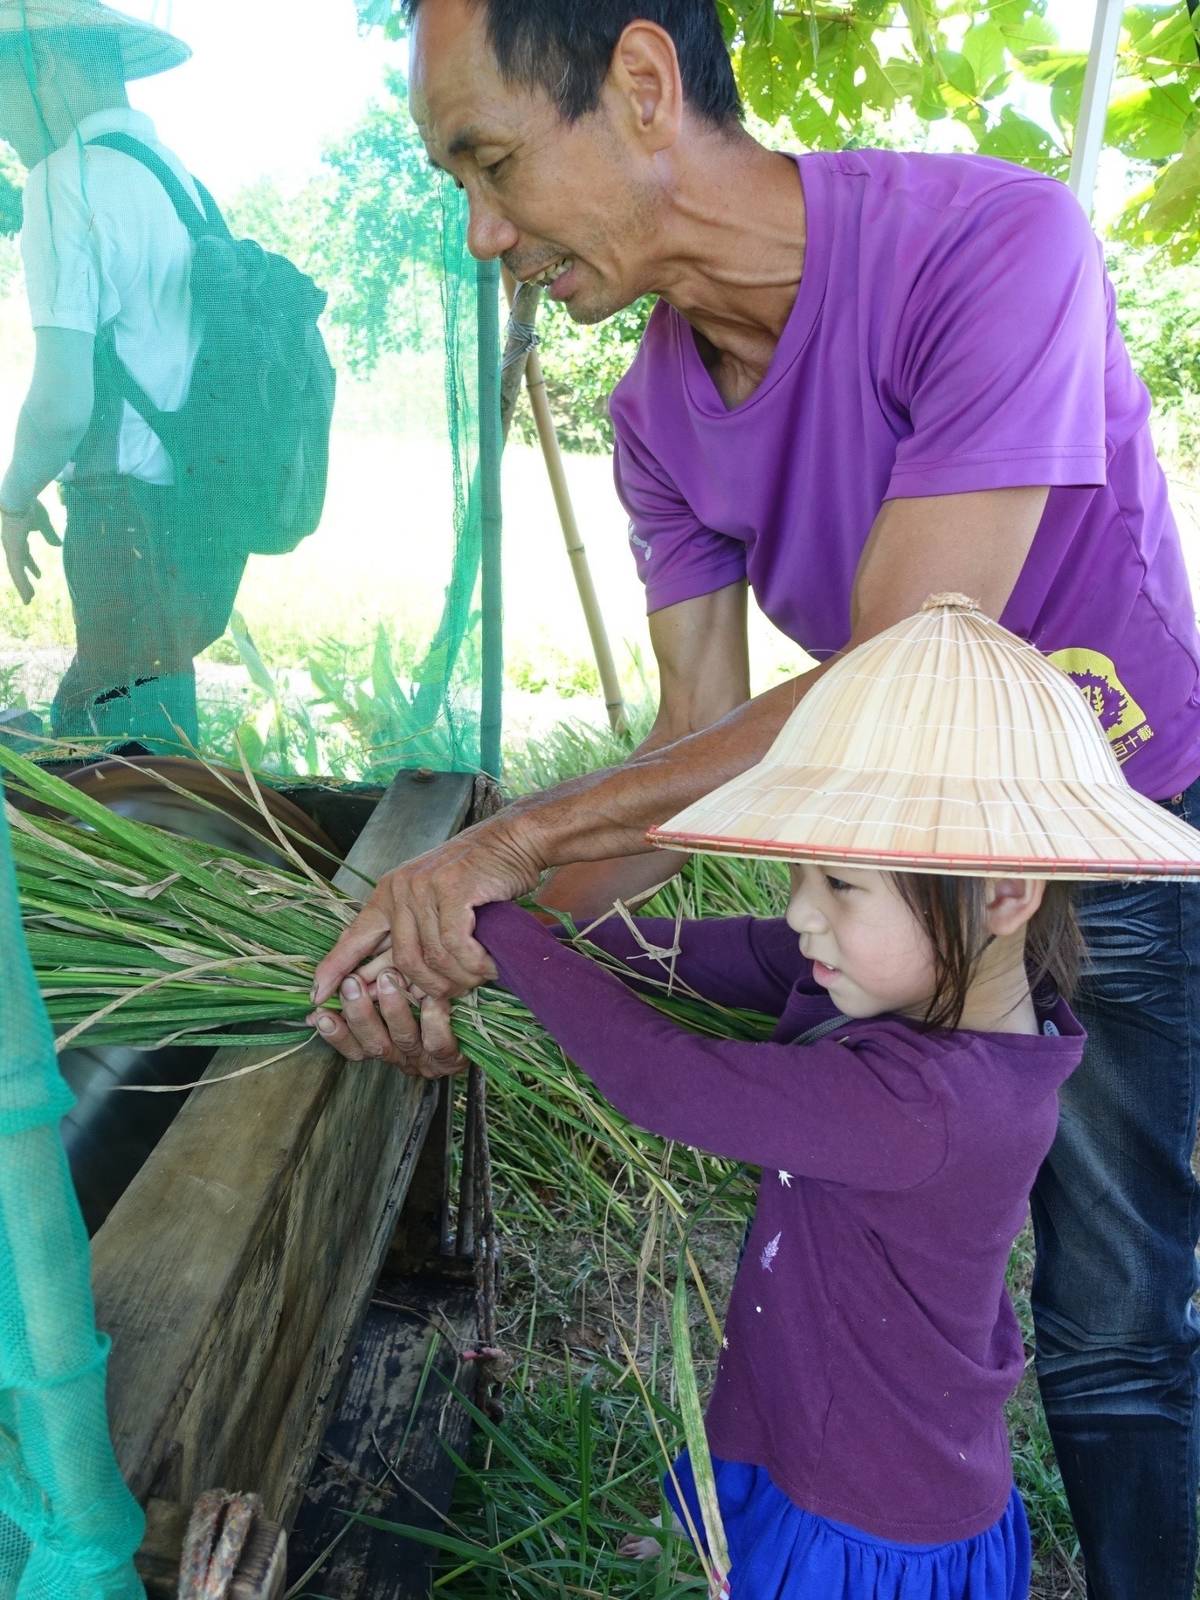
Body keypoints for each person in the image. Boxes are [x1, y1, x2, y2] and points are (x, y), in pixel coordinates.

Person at [311, 4, 1200, 1592]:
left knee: (1121, 1329)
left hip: (1118, 848)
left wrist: (506, 851)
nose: (479, 234)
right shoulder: (655, 415)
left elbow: (911, 666)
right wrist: (451, 939)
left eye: (493, 164)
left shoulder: (994, 244)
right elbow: (700, 731)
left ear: (643, 88)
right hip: (904, 898)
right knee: (926, 1265)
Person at [322, 597, 1200, 1599]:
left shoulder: (932, 1104)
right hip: (806, 1410)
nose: (800, 911)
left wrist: (505, 936)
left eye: (837, 883)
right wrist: (560, 947)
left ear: (1003, 893)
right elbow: (742, 953)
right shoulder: (961, 992)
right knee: (756, 1470)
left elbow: (666, 1080)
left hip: (863, 1521)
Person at [0, 1, 245, 747]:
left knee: (116, 758)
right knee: (154, 733)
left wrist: (11, 498)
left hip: (123, 518)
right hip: (201, 513)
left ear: (53, 68)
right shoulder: (177, 180)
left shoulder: (63, 178)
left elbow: (63, 398)